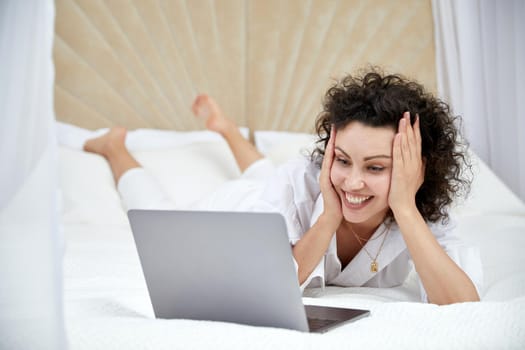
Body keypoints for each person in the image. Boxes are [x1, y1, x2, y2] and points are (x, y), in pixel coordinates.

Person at [84, 69, 482, 305]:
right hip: (237, 209)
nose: (353, 182)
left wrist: (406, 208)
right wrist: (329, 216)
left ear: (416, 168)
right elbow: (269, 283)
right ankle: (114, 148)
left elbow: (463, 304)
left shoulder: (422, 210)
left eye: (376, 167)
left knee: (265, 174)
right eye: (341, 159)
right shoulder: (303, 181)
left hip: (273, 188)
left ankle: (226, 130)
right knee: (161, 210)